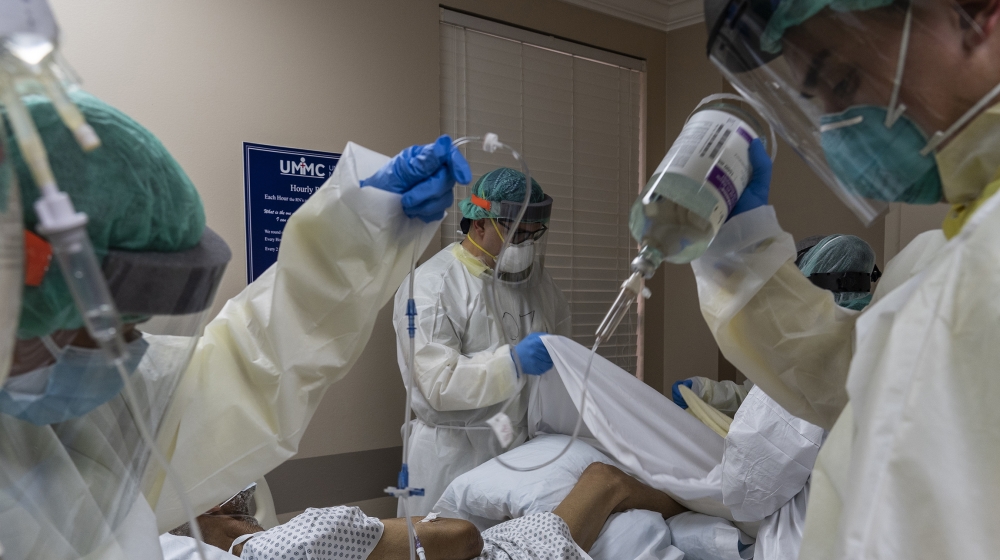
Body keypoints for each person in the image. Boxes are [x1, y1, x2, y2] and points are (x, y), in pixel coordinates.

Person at [0, 89, 471, 558]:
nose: (126, 350)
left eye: (134, 325)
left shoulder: (70, 402)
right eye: (108, 327)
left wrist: (362, 226)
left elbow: (249, 371)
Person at [692, 0, 1000, 557]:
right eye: (818, 104)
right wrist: (742, 251)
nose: (838, 133)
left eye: (842, 80)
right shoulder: (937, 255)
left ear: (978, 15)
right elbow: (858, 381)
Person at [675, 234, 878, 560]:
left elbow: (747, 493)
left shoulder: (810, 364)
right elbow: (763, 396)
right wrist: (710, 393)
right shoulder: (879, 340)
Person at [392, 167, 571, 515]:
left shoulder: (540, 285)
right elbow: (437, 384)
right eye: (517, 234)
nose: (526, 246)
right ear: (479, 224)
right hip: (451, 458)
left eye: (534, 236)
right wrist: (512, 363)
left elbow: (561, 362)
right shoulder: (432, 286)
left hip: (518, 454)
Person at [168, 463, 685, 560]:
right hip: (510, 555)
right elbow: (465, 539)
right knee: (601, 481)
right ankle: (704, 507)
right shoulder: (299, 539)